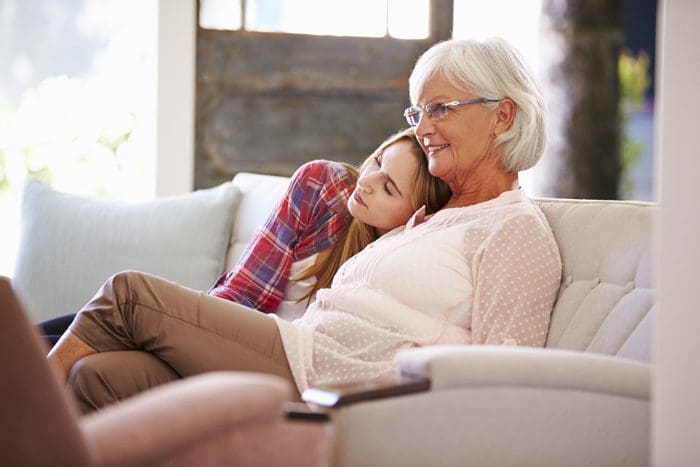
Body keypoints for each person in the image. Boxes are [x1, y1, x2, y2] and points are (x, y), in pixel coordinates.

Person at [49, 37, 563, 413]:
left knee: (130, 295)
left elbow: (504, 383)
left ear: (502, 116)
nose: (424, 129)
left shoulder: (513, 230)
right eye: (418, 113)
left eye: (441, 109)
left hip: (344, 382)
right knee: (100, 377)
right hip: (301, 352)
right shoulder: (430, 220)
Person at [38, 127, 451, 346]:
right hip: (224, 322)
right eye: (379, 160)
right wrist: (177, 327)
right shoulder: (327, 186)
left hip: (251, 350)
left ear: (413, 216)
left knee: (117, 303)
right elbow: (245, 294)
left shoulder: (393, 261)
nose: (369, 180)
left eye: (390, 188)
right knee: (61, 328)